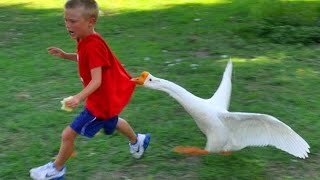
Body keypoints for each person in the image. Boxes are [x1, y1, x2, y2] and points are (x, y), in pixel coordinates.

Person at [29, 0, 150, 179]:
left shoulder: (93, 45)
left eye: (73, 21)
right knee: (113, 121)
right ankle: (137, 140)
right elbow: (85, 59)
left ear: (90, 21)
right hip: (105, 101)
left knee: (68, 134)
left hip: (99, 103)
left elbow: (97, 81)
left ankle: (56, 169)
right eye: (66, 20)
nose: (68, 25)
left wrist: (78, 98)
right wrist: (65, 55)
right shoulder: (85, 38)